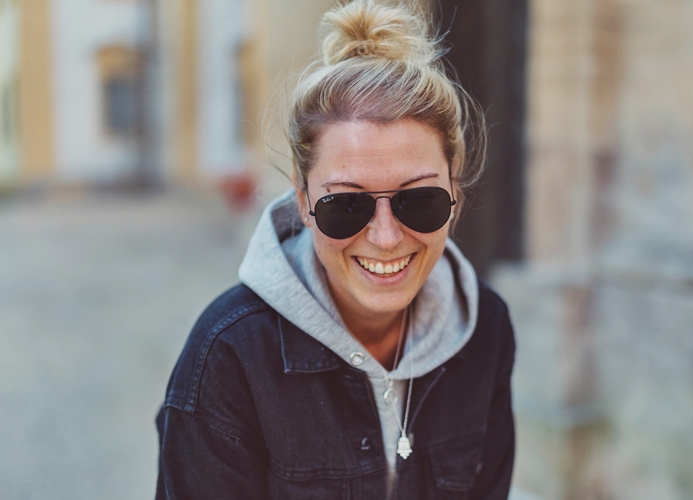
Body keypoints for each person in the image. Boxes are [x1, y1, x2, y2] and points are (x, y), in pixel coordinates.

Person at [155, 1, 515, 498]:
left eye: (421, 201)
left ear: (456, 192)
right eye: (346, 206)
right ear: (303, 202)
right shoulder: (229, 357)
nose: (386, 237)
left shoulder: (486, 330)